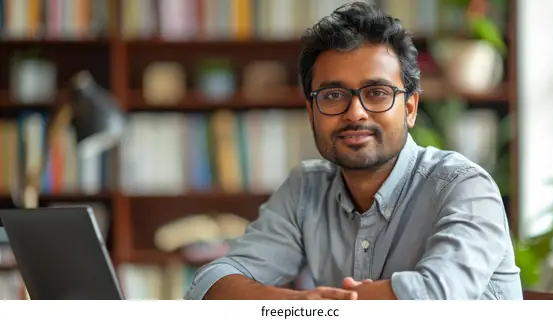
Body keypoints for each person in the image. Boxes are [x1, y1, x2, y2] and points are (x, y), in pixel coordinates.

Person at [184, 1, 522, 300]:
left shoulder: (464, 187)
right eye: (333, 95)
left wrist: (333, 307)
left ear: (410, 108)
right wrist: (301, 307)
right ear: (311, 112)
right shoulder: (307, 188)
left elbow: (436, 298)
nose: (355, 112)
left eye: (376, 92)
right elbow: (211, 284)